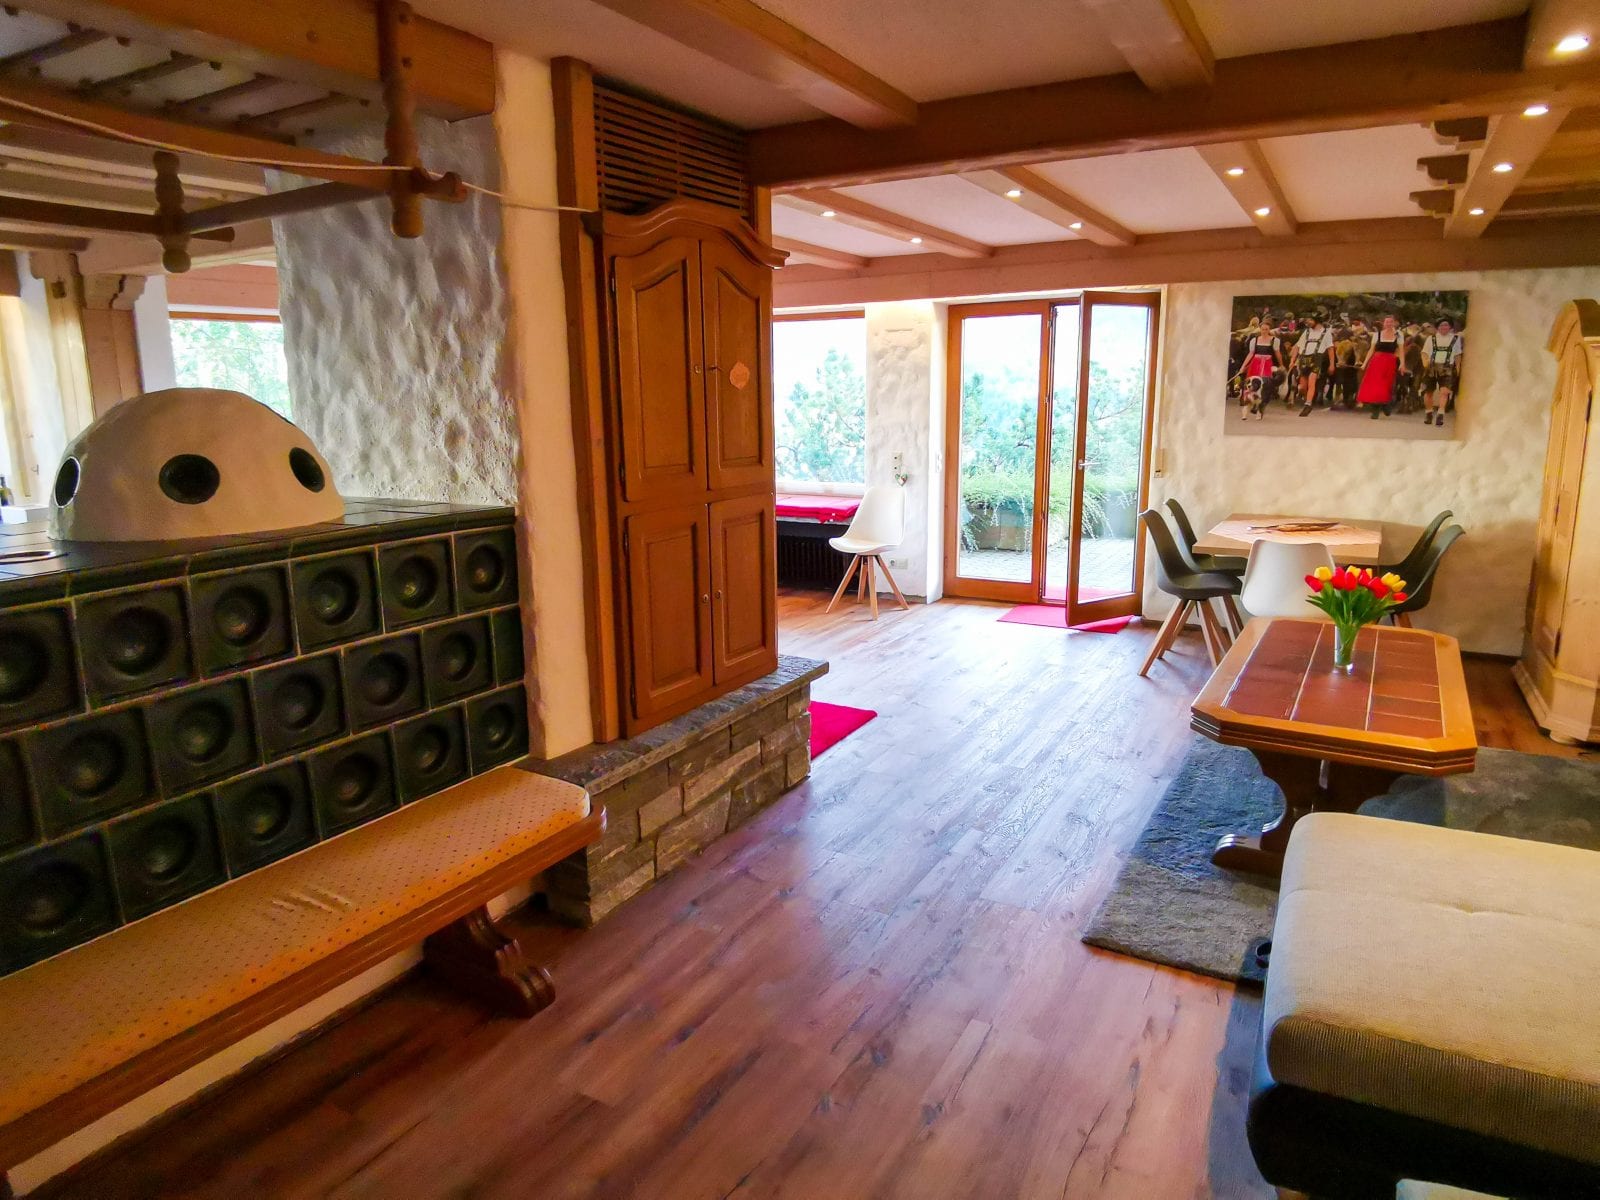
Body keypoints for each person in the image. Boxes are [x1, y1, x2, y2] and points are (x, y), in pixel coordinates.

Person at [1356, 314, 1405, 418]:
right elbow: (1371, 350)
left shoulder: (1398, 334)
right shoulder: (1377, 335)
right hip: (1377, 362)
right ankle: (1376, 410)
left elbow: (1401, 350)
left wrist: (1402, 363)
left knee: (1386, 386)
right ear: (1384, 323)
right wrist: (1364, 363)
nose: (1389, 324)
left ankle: (1385, 404)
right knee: (1375, 385)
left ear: (1394, 323)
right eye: (1387, 322)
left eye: (1391, 322)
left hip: (1390, 362)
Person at [1419, 318, 1463, 427]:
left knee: (1444, 392)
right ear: (1438, 327)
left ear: (1450, 327)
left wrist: (1458, 368)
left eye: (1446, 325)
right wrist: (1425, 363)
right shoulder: (1431, 338)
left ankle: (1440, 414)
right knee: (1428, 392)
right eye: (1441, 325)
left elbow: (1458, 354)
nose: (1444, 327)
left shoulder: (1455, 339)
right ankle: (1429, 413)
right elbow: (1424, 353)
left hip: (1447, 368)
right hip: (1432, 367)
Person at [1290, 312, 1334, 417]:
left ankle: (1308, 404)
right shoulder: (1306, 332)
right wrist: (1292, 360)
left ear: (1317, 321)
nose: (1308, 322)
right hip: (1303, 359)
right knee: (1302, 387)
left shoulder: (1326, 333)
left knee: (1312, 381)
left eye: (1310, 320)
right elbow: (1297, 346)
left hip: (1316, 359)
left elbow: (1330, 349)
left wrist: (1332, 364)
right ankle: (1308, 399)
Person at [1239, 321, 1284, 420]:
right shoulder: (1254, 340)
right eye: (1263, 329)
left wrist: (1281, 365)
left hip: (1267, 363)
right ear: (1260, 329)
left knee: (1264, 386)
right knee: (1251, 385)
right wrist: (1243, 366)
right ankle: (1249, 404)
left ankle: (1260, 408)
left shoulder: (1274, 340)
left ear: (1269, 330)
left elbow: (1277, 353)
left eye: (1266, 329)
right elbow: (1251, 353)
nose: (1264, 331)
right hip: (1255, 363)